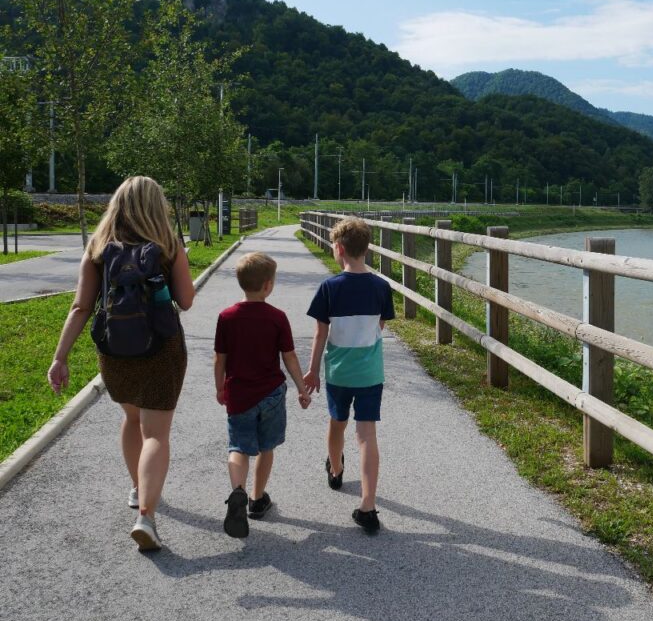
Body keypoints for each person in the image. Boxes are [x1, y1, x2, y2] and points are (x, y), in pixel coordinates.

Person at [47, 175, 195, 551]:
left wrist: (59, 356)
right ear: (155, 205)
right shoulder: (168, 245)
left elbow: (81, 306)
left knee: (131, 419)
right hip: (162, 349)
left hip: (114, 351)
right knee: (157, 434)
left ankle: (137, 488)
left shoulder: (98, 248)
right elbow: (187, 300)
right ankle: (146, 514)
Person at [304, 217, 394, 534]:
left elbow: (319, 335)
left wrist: (313, 370)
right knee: (367, 435)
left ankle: (337, 468)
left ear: (339, 249)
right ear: (365, 249)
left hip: (339, 372)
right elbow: (379, 326)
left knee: (337, 423)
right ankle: (367, 506)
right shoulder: (381, 287)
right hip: (370, 372)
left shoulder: (329, 288)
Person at [214, 251, 311, 539]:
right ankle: (257, 499)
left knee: (238, 448)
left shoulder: (226, 317)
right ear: (268, 285)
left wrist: (220, 387)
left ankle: (237, 491)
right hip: (270, 394)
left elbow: (220, 358)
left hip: (239, 394)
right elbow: (289, 357)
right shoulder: (277, 317)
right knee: (266, 447)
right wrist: (301, 388)